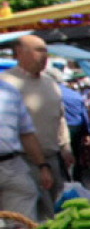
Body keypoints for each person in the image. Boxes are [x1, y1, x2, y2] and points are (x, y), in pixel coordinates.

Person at [2, 35, 72, 218]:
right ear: (19, 53)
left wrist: (66, 146)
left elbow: (60, 117)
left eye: (46, 50)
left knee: (58, 211)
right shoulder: (7, 84)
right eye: (38, 50)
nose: (45, 55)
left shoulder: (50, 83)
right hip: (23, 161)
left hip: (52, 158)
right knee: (31, 215)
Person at [0, 78, 55, 221]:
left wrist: (42, 166)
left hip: (12, 165)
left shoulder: (10, 92)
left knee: (22, 223)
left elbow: (27, 134)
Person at [58, 69, 90, 183]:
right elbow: (84, 115)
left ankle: (66, 179)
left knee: (61, 155)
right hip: (76, 127)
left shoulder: (55, 94)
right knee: (76, 154)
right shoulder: (76, 95)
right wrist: (87, 132)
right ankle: (77, 179)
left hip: (62, 128)